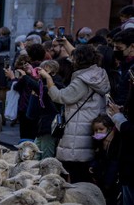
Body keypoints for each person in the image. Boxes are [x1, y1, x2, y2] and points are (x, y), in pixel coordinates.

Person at [39, 44, 110, 182]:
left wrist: (48, 79)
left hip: (77, 133)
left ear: (79, 60)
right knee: (85, 173)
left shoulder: (82, 80)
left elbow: (60, 96)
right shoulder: (99, 74)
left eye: (74, 58)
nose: (72, 60)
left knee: (76, 173)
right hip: (91, 126)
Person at [88, 114, 122, 205]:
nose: (98, 132)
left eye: (101, 129)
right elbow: (97, 158)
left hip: (113, 180)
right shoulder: (98, 142)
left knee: (112, 201)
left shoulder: (116, 142)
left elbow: (115, 163)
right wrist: (93, 166)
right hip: (100, 178)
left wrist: (108, 182)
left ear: (110, 129)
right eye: (96, 130)